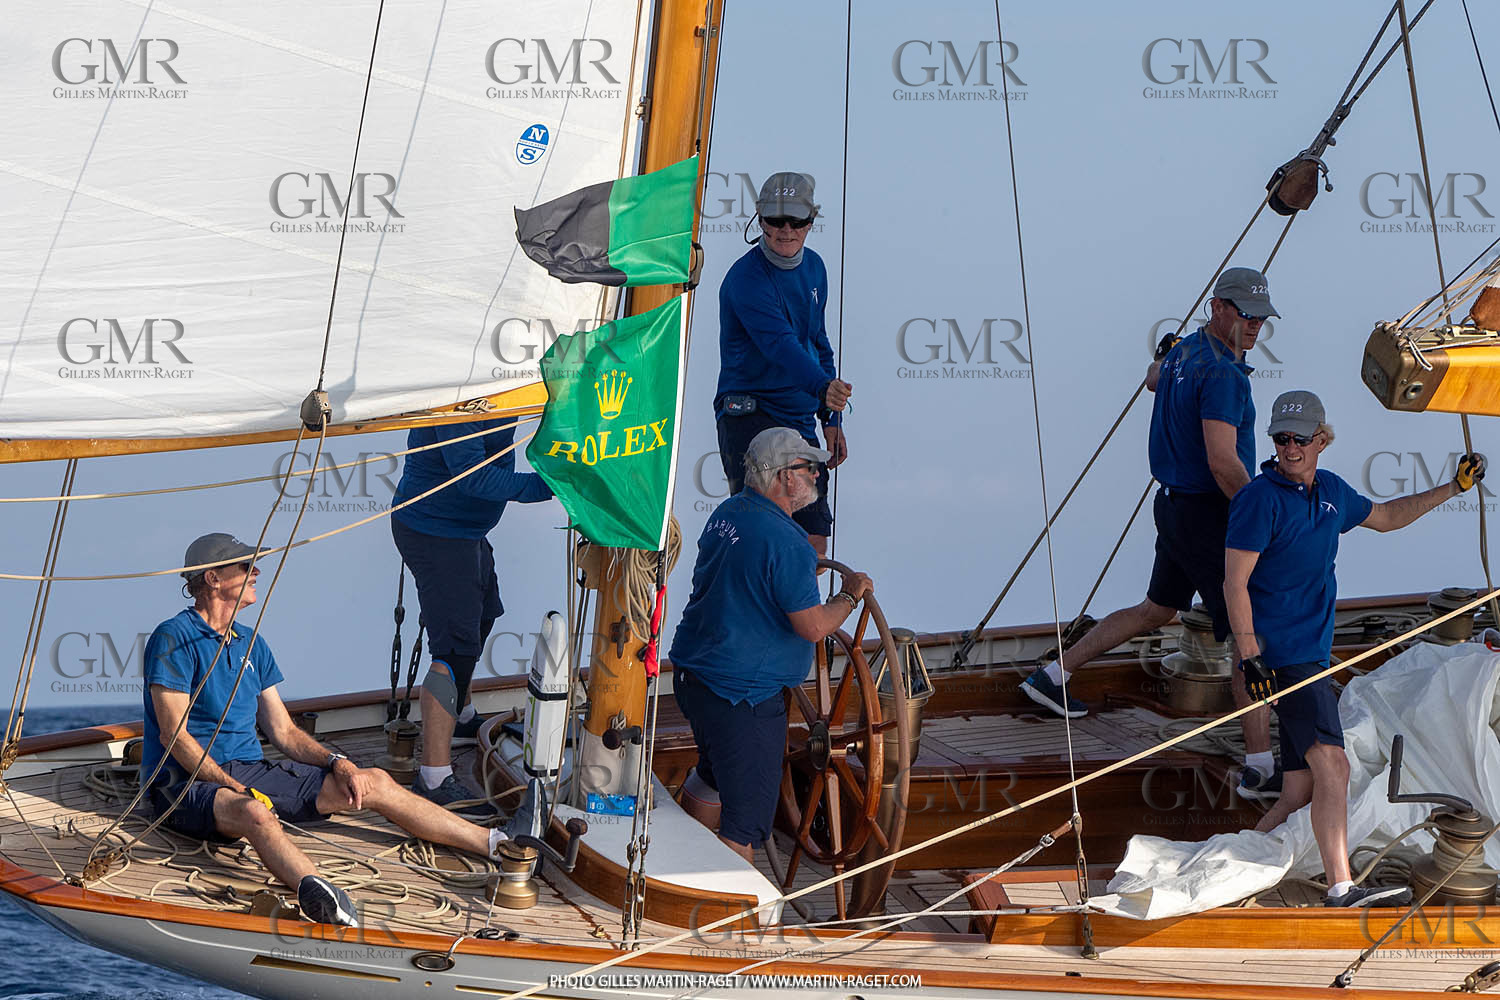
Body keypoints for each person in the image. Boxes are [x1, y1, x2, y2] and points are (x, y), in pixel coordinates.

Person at [143, 533, 512, 927]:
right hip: (182, 783)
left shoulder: (252, 644)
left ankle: (496, 845)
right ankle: (327, 901)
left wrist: (338, 762)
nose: (257, 572)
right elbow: (174, 736)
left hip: (246, 771)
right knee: (256, 812)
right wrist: (233, 788)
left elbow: (283, 731)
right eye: (245, 566)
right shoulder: (174, 638)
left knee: (375, 781)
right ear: (213, 579)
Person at [1021, 266, 1280, 801]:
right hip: (1209, 514)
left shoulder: (1185, 351)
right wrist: (1264, 513)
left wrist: (1162, 357)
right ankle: (1260, 766)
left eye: (1261, 318)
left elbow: (1152, 377)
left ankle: (1052, 675)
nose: (1255, 327)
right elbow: (1222, 462)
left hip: (1173, 508)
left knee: (1157, 609)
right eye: (1247, 315)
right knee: (1245, 631)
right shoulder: (1225, 377)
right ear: (1219, 308)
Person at [1224, 391, 1485, 907]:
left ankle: (1235, 867)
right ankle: (1341, 888)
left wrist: (1452, 488)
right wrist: (1252, 657)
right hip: (1287, 656)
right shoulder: (1259, 498)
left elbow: (1386, 516)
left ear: (1323, 439)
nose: (1289, 448)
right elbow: (1234, 582)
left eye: (1300, 438)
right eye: (1281, 439)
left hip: (1312, 653)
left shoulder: (1332, 493)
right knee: (1335, 767)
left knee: (1299, 790)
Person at [668, 428, 872, 862]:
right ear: (782, 477)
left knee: (712, 773)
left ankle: (676, 868)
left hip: (692, 679)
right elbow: (814, 627)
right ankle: (723, 916)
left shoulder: (727, 514)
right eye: (807, 468)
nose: (817, 475)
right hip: (743, 698)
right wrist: (849, 595)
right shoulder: (789, 544)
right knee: (744, 823)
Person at [390, 418, 553, 812]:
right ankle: (433, 778)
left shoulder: (504, 387)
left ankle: (461, 717)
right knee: (454, 649)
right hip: (434, 530)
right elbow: (472, 478)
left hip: (465, 532)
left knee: (483, 617)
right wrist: (548, 485)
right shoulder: (462, 401)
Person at [715, 172, 852, 557]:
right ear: (760, 219)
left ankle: (802, 617)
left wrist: (831, 418)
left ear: (811, 221)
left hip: (798, 417)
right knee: (766, 537)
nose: (786, 230)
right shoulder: (745, 280)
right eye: (776, 220)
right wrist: (822, 388)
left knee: (814, 546)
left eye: (797, 221)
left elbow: (816, 342)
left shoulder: (816, 269)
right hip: (750, 414)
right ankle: (758, 614)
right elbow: (780, 345)